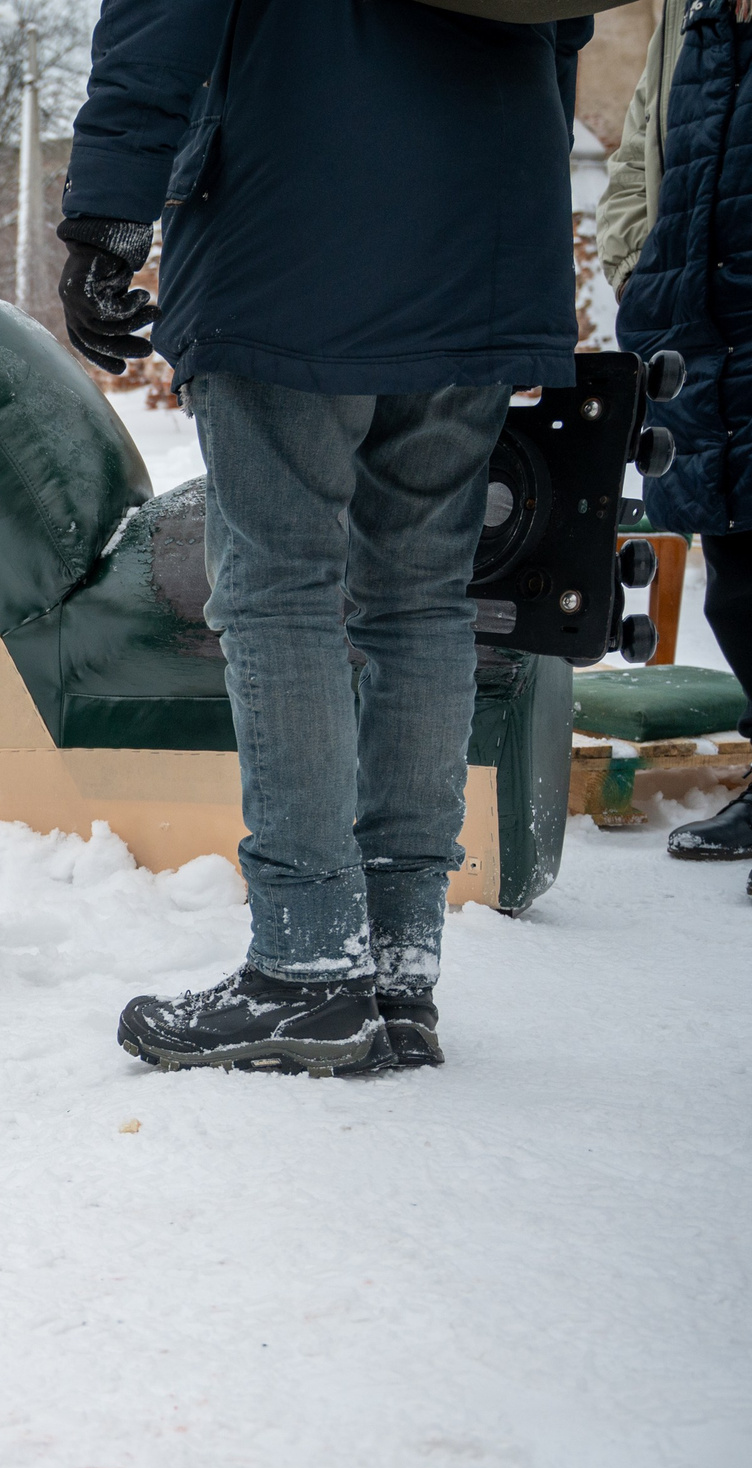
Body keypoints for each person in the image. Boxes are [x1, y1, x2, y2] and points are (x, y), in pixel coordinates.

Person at [57, 1, 594, 1075]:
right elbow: (561, 30)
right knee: (422, 597)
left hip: (293, 216)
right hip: (490, 223)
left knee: (280, 589)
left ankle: (307, 967)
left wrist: (106, 214)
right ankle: (395, 968)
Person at [601, 0, 752, 878]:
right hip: (700, 316)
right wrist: (637, 267)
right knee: (737, 573)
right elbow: (638, 148)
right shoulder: (684, 8)